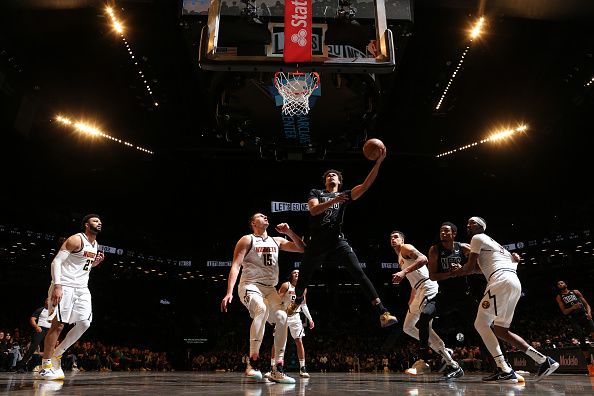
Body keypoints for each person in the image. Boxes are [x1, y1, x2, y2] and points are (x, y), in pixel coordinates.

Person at [286, 157, 398, 328]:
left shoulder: (345, 195)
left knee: (359, 272)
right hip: (316, 241)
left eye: (334, 175)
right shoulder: (316, 192)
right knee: (303, 279)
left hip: (337, 240)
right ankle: (299, 299)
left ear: (339, 181)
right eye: (328, 175)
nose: (331, 176)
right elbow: (314, 210)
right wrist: (333, 201)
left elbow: (365, 186)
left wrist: (378, 163)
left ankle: (382, 312)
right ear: (325, 181)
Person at [451, 216, 559, 382]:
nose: (468, 224)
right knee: (501, 330)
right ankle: (544, 360)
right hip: (514, 282)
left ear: (481, 226)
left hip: (500, 281)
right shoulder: (499, 248)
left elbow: (470, 267)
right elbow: (481, 269)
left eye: (472, 222)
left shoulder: (476, 238)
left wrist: (459, 270)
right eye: (468, 222)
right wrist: (468, 268)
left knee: (480, 323)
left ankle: (504, 368)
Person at [221, 213, 305, 383]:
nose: (265, 216)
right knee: (262, 309)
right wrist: (229, 292)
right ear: (253, 223)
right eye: (260, 216)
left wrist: (289, 232)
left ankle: (277, 368)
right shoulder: (247, 239)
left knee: (283, 317)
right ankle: (253, 362)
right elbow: (236, 266)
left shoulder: (276, 240)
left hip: (269, 288)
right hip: (250, 285)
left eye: (265, 215)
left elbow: (302, 248)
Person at [37, 214, 105, 380]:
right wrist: (57, 286)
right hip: (65, 285)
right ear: (86, 225)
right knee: (58, 325)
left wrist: (93, 265)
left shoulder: (95, 244)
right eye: (95, 221)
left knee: (84, 323)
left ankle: (57, 355)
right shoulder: (76, 239)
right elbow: (56, 262)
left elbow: (81, 266)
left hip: (82, 288)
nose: (99, 223)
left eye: (100, 221)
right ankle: (45, 366)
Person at [390, 230, 462, 379]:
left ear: (402, 240)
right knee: (407, 327)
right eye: (391, 237)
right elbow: (414, 278)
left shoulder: (406, 248)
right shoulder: (399, 257)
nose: (393, 239)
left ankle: (450, 363)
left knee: (425, 327)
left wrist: (403, 273)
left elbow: (423, 259)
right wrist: (412, 296)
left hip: (428, 287)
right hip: (418, 290)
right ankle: (440, 348)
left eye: (396, 237)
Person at [266, 269, 314, 379]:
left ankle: (302, 368)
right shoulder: (285, 285)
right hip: (284, 315)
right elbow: (276, 300)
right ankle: (272, 367)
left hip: (295, 316)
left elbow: (304, 305)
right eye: (294, 272)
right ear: (291, 276)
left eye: (298, 272)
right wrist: (273, 315)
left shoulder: (303, 289)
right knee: (276, 341)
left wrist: (310, 319)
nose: (297, 273)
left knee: (299, 340)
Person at [555, 280, 594, 374]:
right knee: (581, 339)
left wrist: (589, 314)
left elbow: (587, 304)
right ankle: (590, 366)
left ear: (566, 284)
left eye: (562, 283)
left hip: (584, 316)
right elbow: (564, 312)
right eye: (558, 284)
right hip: (574, 319)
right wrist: (573, 308)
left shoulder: (575, 292)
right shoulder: (559, 297)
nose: (560, 284)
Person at [16, 298, 54, 373]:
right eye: (47, 300)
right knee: (33, 348)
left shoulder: (53, 311)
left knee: (49, 349)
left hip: (49, 331)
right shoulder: (40, 310)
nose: (48, 302)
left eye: (50, 301)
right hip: (40, 330)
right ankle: (21, 366)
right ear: (45, 301)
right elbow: (32, 319)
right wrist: (36, 327)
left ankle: (47, 367)